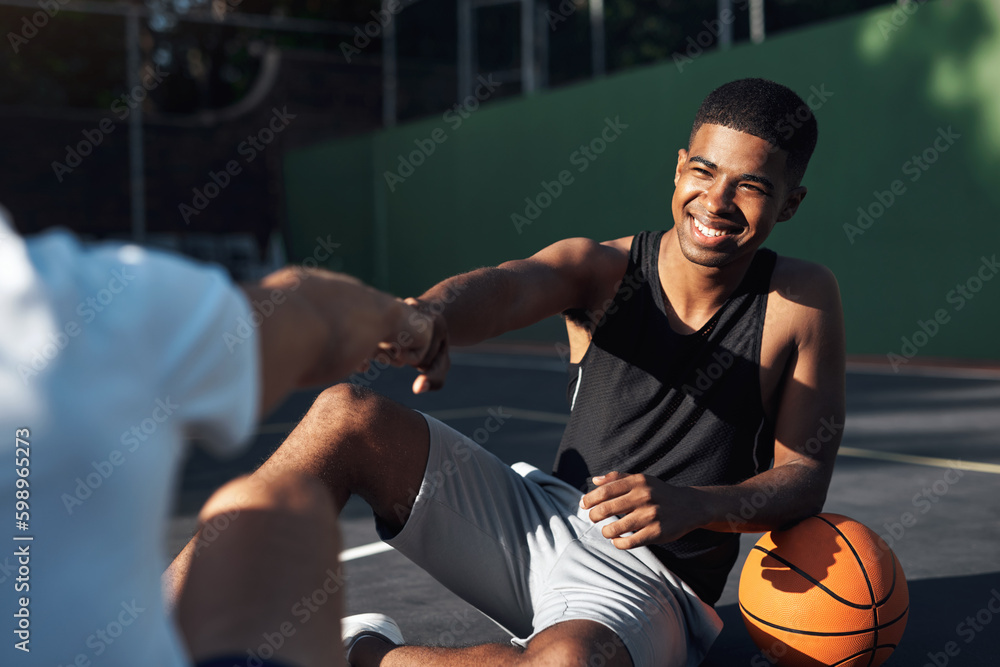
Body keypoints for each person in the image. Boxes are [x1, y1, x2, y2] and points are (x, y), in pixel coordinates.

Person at [170, 77, 847, 667]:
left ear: (790, 203)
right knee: (348, 416)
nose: (716, 200)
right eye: (704, 171)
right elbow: (508, 286)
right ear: (678, 169)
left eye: (751, 186)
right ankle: (163, 621)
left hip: (652, 581)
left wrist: (695, 504)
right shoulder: (605, 269)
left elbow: (803, 479)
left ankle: (355, 651)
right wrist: (431, 314)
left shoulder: (801, 301)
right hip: (541, 517)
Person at [0, 202, 432, 667]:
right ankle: (366, 653)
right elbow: (317, 317)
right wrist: (404, 322)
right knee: (286, 502)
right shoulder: (74, 298)